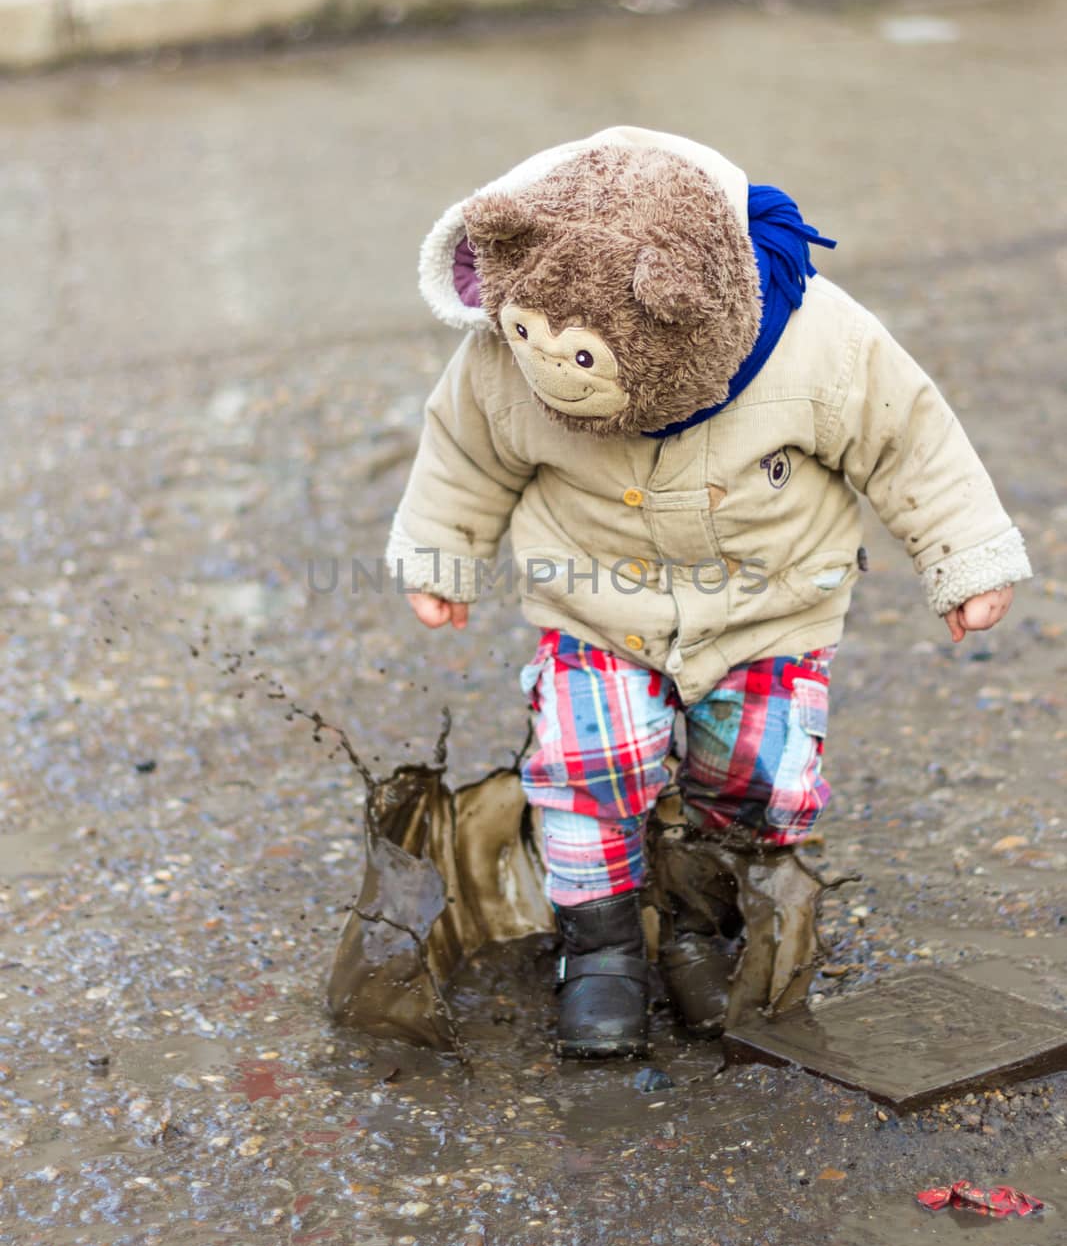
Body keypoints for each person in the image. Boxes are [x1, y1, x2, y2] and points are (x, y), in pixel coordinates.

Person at [386, 126, 1030, 1059]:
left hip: (772, 609)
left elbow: (908, 440)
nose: (549, 382)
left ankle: (704, 925)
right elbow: (463, 450)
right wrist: (442, 554)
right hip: (594, 605)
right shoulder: (508, 349)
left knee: (759, 781)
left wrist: (962, 554)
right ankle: (599, 948)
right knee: (588, 766)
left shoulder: (819, 341)